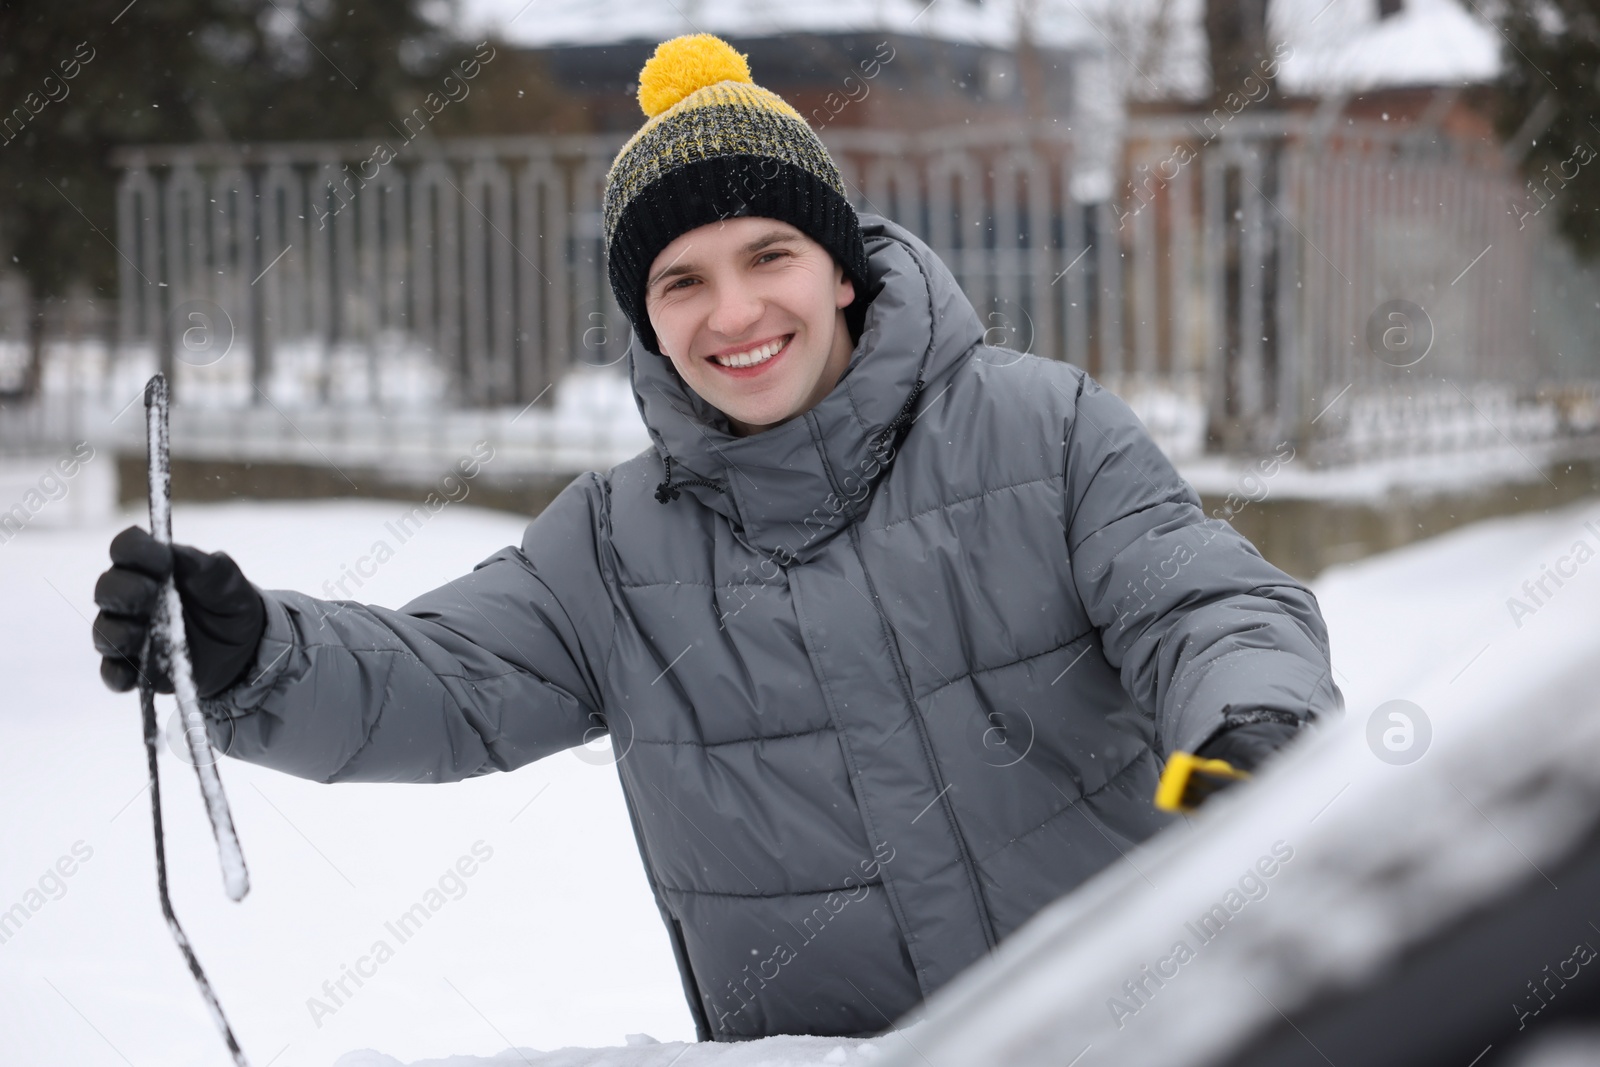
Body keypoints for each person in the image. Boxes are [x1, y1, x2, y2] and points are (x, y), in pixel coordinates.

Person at [91, 34, 1342, 1042]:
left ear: (841, 268)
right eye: (680, 280)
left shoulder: (1042, 429)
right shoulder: (611, 544)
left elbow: (1199, 603)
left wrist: (1249, 731)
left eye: (769, 255)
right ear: (645, 317)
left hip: (1146, 1026)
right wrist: (253, 654)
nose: (733, 312)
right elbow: (443, 683)